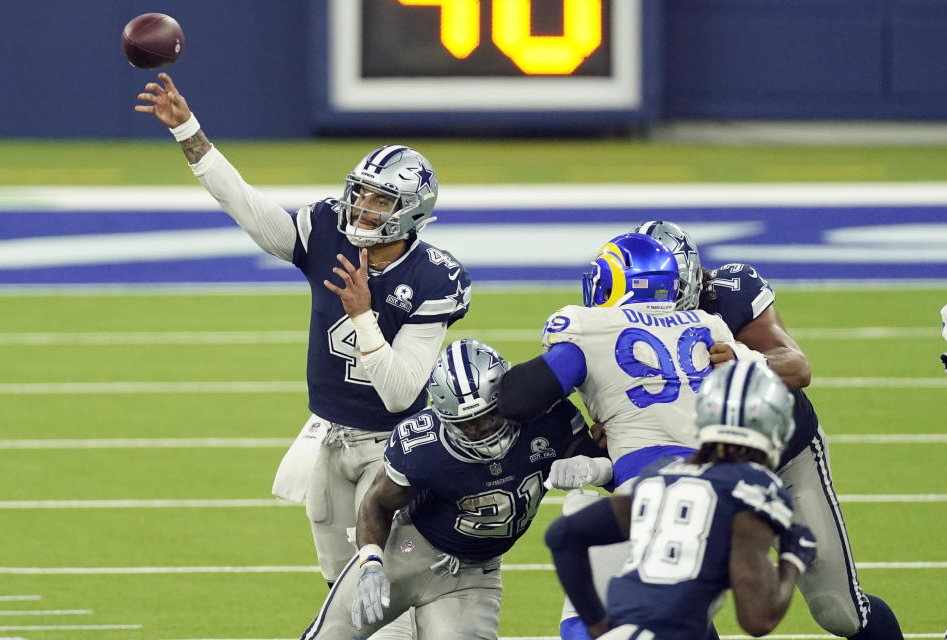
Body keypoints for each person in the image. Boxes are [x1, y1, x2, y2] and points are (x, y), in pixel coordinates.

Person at [136, 73, 472, 638]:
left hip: (395, 446)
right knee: (340, 588)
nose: (363, 207)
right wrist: (188, 132)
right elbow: (244, 205)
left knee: (381, 597)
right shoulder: (324, 228)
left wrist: (363, 313)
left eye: (380, 199)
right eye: (361, 192)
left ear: (412, 211)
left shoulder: (433, 276)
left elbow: (400, 391)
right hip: (330, 434)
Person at [625, 220, 903, 639]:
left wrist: (747, 361)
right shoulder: (618, 319)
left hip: (783, 459)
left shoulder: (731, 292)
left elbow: (797, 366)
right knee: (682, 606)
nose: (648, 301)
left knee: (840, 610)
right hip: (701, 474)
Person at [499, 232, 761, 640]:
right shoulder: (708, 324)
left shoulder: (590, 328)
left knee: (589, 619)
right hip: (730, 496)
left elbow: (517, 399)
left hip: (658, 491)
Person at [300, 339, 605, 639]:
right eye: (467, 424)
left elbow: (616, 468)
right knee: (330, 635)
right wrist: (371, 562)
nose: (482, 431)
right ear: (445, 419)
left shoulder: (550, 419)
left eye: (490, 415)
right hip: (408, 551)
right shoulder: (423, 446)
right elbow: (378, 504)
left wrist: (595, 466)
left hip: (474, 576)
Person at [545, 360, 818, 639]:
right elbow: (757, 620)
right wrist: (793, 558)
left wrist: (596, 625)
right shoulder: (754, 489)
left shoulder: (661, 474)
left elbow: (562, 536)